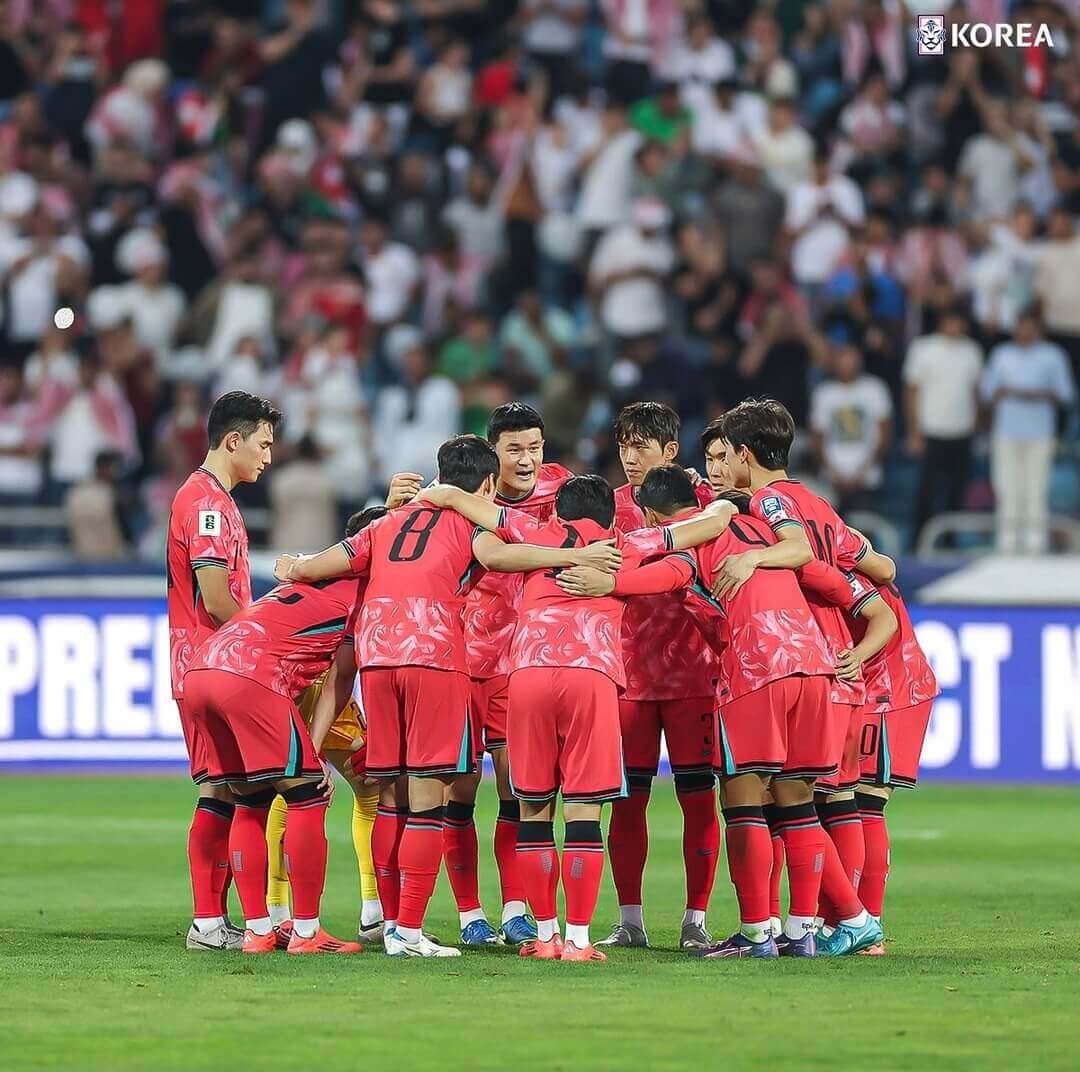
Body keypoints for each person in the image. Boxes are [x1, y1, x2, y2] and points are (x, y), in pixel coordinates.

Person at [274, 435, 623, 957]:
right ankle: (409, 932)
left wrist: (295, 565)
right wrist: (574, 551)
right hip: (433, 655)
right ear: (486, 484)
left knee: (388, 793)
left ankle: (390, 922)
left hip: (377, 658)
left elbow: (331, 561)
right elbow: (508, 558)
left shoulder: (387, 523)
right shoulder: (470, 524)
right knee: (430, 794)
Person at [556, 466, 895, 957]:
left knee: (743, 805)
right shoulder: (766, 535)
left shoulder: (692, 544)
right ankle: (806, 932)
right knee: (797, 802)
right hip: (815, 666)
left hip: (757, 669)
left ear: (651, 513)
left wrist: (603, 583)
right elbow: (853, 584)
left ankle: (758, 934)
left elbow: (652, 577)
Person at [414, 473, 738, 961]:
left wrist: (431, 493)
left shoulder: (533, 533)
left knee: (534, 809)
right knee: (583, 810)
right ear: (610, 515)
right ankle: (579, 941)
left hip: (525, 674)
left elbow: (469, 506)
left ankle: (545, 937)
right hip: (590, 675)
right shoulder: (623, 543)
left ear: (559, 514)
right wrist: (723, 509)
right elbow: (704, 529)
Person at [707, 400, 896, 955]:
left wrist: (754, 561)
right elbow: (884, 568)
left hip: (788, 655)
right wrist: (838, 580)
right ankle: (813, 929)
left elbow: (795, 550)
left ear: (745, 455)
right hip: (834, 659)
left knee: (775, 799)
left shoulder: (766, 501)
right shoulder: (818, 502)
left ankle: (815, 925)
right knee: (816, 800)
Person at [183, 520, 392, 955]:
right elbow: (339, 681)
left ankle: (259, 930)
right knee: (307, 796)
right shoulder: (364, 598)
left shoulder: (309, 580)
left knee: (250, 799)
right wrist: (313, 756)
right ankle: (306, 931)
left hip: (202, 670)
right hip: (250, 678)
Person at [600, 402, 722, 951]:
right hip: (628, 675)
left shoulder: (705, 505)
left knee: (699, 799)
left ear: (671, 451)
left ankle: (696, 919)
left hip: (695, 672)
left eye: (641, 446)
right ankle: (630, 920)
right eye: (624, 446)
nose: (630, 458)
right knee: (628, 801)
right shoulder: (605, 506)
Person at [166, 391, 280, 951]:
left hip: (212, 663)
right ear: (232, 440)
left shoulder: (215, 499)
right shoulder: (206, 505)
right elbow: (215, 598)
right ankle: (208, 924)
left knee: (232, 790)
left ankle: (218, 921)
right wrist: (265, 641)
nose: (267, 456)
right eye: (262, 443)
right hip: (212, 662)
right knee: (223, 790)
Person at [264, 507, 389, 945]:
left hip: (302, 688)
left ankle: (279, 910)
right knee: (303, 788)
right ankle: (294, 911)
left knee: (354, 785)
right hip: (309, 691)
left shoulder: (317, 573)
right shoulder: (360, 588)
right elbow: (341, 672)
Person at [980, 309, 1076, 554]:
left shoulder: (1052, 356)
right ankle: (1007, 544)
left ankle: (1035, 544)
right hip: (1006, 432)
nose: (1025, 332)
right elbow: (988, 392)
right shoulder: (1002, 355)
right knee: (1007, 489)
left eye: (1030, 327)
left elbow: (1065, 394)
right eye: (1021, 327)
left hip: (1040, 433)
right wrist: (1007, 392)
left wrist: (1036, 394)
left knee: (1036, 490)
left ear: (1038, 329)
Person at [902, 307, 984, 546]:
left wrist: (977, 427)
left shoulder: (972, 351)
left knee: (957, 492)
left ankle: (950, 542)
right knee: (926, 492)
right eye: (950, 321)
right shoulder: (924, 348)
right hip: (931, 431)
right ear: (942, 322)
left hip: (962, 432)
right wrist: (913, 432)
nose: (954, 327)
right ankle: (918, 543)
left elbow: (977, 393)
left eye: (959, 322)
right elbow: (911, 392)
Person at [809, 344, 893, 514]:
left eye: (851, 358)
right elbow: (817, 437)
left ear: (859, 361)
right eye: (842, 359)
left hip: (867, 478)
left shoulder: (875, 389)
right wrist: (834, 473)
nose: (847, 364)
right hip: (832, 479)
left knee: (865, 533)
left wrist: (862, 472)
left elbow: (885, 434)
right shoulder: (824, 393)